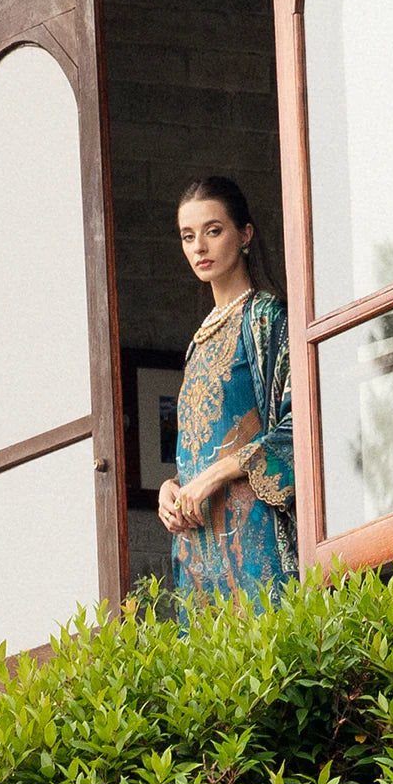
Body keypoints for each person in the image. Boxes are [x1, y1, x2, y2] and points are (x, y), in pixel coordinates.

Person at [157, 176, 297, 611]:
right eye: (188, 236)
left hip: (254, 538)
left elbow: (299, 428)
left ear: (245, 234)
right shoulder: (197, 344)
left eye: (213, 231)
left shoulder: (268, 319)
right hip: (199, 549)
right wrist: (173, 487)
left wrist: (215, 476)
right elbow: (201, 445)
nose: (199, 246)